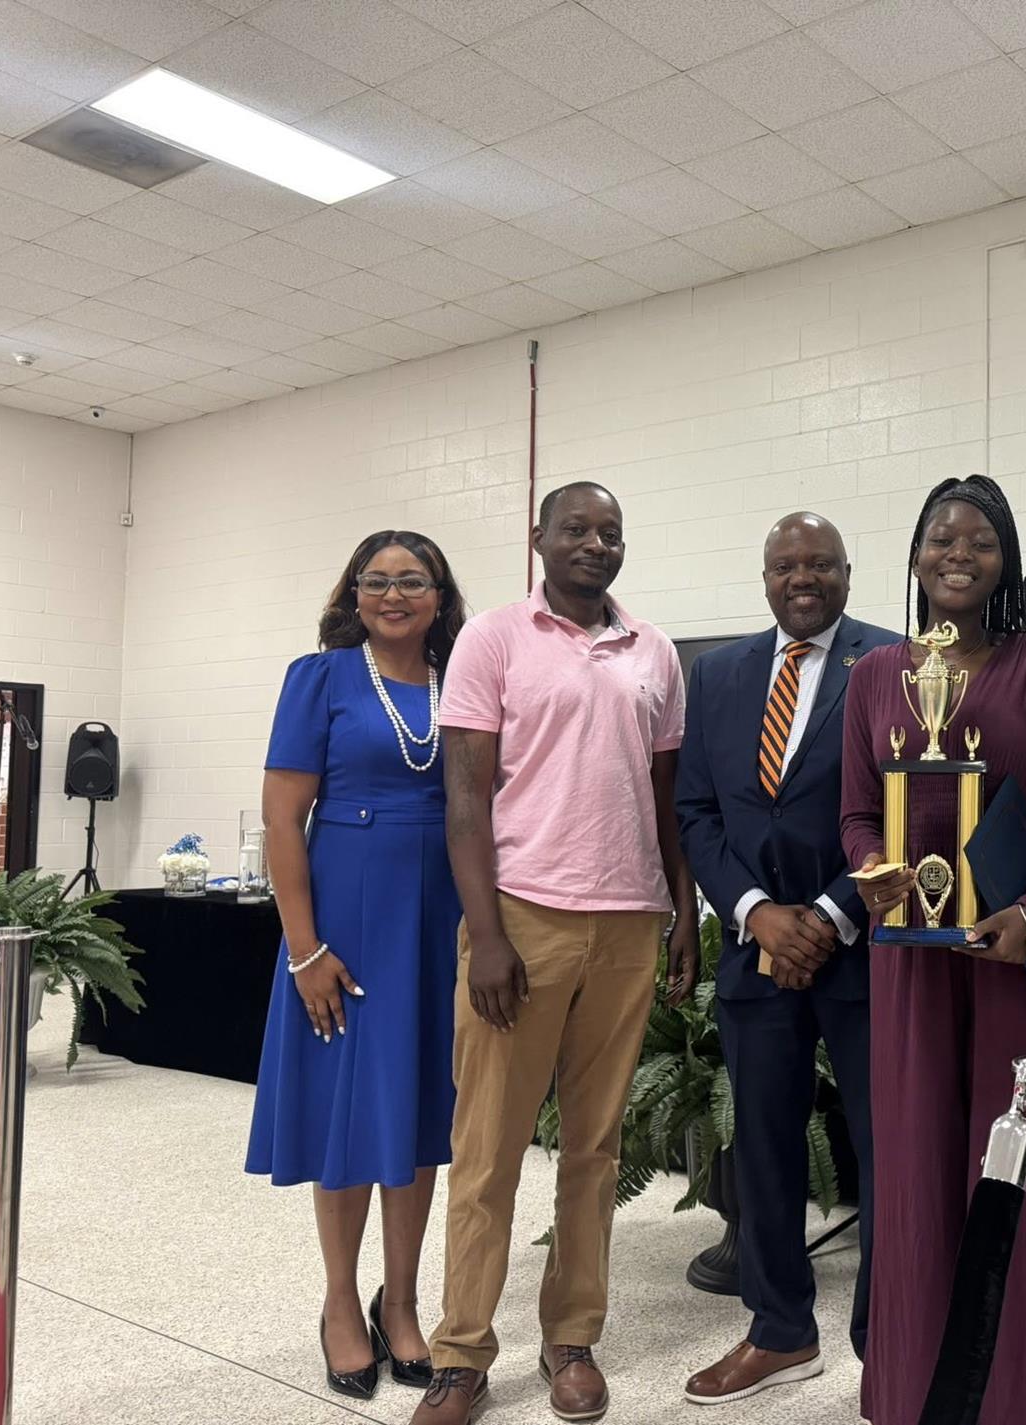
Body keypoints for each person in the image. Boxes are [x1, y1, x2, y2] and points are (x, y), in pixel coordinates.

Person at [411, 482, 700, 1425]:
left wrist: (684, 909)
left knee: (595, 1146)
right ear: (539, 539)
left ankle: (572, 1337)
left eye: (610, 530)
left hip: (627, 922)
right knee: (487, 1149)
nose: (594, 542)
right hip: (521, 918)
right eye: (575, 528)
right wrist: (486, 932)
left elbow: (664, 800)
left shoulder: (653, 650)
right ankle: (461, 1356)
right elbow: (464, 796)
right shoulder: (492, 639)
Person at [840, 475, 1026, 1425]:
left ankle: (1022, 1397)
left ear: (1006, 563)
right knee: (915, 1163)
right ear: (914, 554)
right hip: (912, 953)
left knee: (1016, 1162)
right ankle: (913, 1394)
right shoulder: (875, 676)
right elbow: (860, 811)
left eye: (980, 542)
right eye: (942, 538)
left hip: (1017, 959)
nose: (958, 554)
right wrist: (871, 872)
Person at [675, 512, 900, 1405]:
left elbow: (911, 805)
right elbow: (697, 813)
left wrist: (833, 914)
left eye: (819, 564)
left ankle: (889, 1338)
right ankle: (778, 1330)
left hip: (867, 949)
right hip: (753, 951)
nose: (801, 578)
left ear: (848, 573)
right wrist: (759, 914)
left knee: (887, 1152)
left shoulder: (890, 664)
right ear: (764, 576)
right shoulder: (720, 673)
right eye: (784, 565)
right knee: (763, 1148)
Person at [246, 530, 469, 1401]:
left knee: (418, 1115)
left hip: (440, 915)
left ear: (441, 596)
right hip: (345, 916)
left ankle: (403, 1299)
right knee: (346, 1114)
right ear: (353, 593)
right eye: (375, 580)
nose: (393, 593)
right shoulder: (321, 677)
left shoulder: (466, 676)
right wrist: (305, 948)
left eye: (413, 580)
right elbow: (281, 821)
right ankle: (341, 1301)